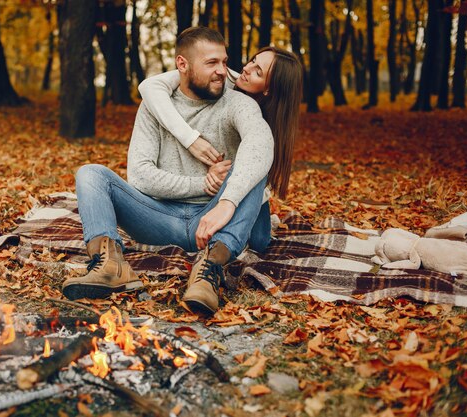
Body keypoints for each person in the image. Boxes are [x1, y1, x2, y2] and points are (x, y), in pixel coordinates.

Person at [62, 27, 299, 316]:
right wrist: (203, 184)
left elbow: (261, 143)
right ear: (182, 65)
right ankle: (109, 265)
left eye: (225, 63)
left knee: (254, 166)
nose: (224, 72)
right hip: (160, 217)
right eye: (211, 63)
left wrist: (225, 203)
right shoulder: (156, 106)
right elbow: (139, 176)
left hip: (214, 224)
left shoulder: (240, 102)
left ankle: (209, 270)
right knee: (91, 173)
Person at [138, 45, 303, 253]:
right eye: (252, 60)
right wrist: (190, 139)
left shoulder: (272, 122)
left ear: (270, 88)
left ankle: (227, 234)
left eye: (258, 71)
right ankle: (219, 248)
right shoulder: (224, 79)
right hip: (210, 197)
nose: (247, 68)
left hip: (241, 190)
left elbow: (257, 168)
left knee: (259, 241)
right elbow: (149, 87)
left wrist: (230, 187)